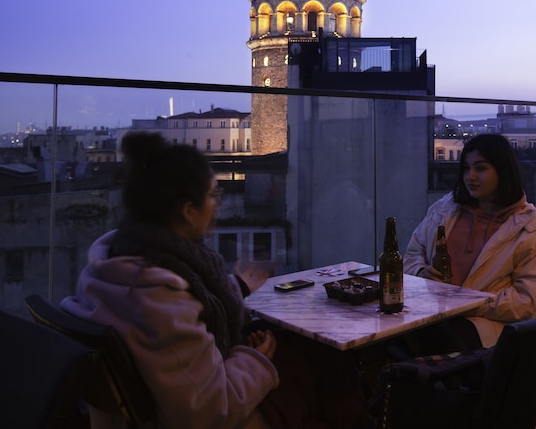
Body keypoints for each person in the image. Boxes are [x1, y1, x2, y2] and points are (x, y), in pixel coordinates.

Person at [60, 132, 364, 429]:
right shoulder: (159, 298)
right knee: (328, 367)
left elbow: (186, 313)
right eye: (213, 194)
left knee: (310, 356)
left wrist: (238, 287)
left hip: (157, 406)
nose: (217, 204)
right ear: (188, 211)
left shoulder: (118, 262)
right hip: (213, 413)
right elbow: (208, 413)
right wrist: (253, 359)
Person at [403, 133, 536, 353]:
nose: (470, 176)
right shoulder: (445, 209)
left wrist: (466, 303)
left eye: (480, 168)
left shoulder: (531, 226)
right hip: (430, 313)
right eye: (466, 168)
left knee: (433, 342)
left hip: (488, 328)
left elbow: (526, 300)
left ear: (502, 171)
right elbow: (411, 256)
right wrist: (421, 273)